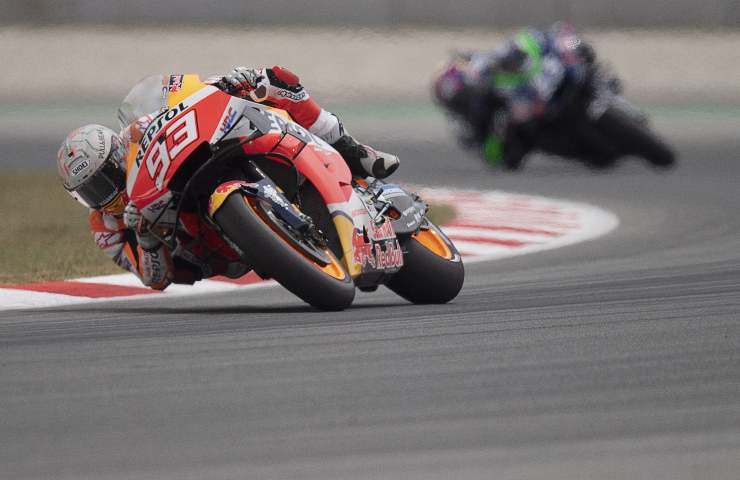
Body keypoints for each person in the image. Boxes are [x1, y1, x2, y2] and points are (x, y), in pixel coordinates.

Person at [56, 66, 400, 290]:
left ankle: (354, 150)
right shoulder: (106, 226)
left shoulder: (137, 139)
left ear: (116, 157)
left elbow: (182, 100)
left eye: (102, 181)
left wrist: (226, 83)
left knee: (273, 82)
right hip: (201, 248)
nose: (102, 196)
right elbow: (154, 278)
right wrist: (146, 238)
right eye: (89, 192)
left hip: (200, 162)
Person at [432, 23, 609, 170]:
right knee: (526, 144)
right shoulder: (466, 129)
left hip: (534, 89)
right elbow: (494, 156)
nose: (462, 98)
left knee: (569, 48)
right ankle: (581, 148)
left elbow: (512, 48)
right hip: (527, 122)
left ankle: (600, 80)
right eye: (457, 99)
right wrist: (501, 134)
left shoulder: (479, 68)